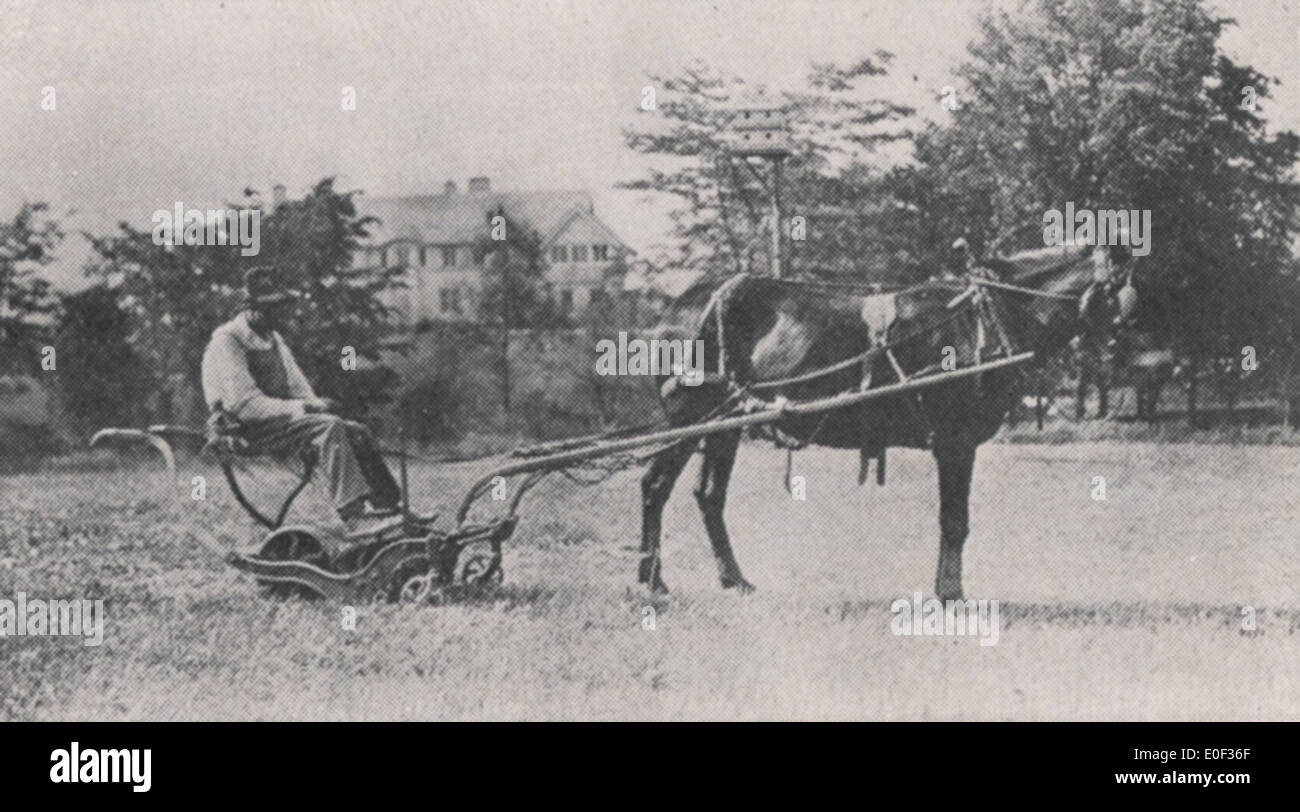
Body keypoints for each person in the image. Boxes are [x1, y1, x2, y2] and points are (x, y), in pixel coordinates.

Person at [200, 267, 403, 534]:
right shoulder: (229, 341)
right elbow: (246, 405)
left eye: (282, 307)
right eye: (274, 308)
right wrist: (305, 408)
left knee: (356, 431)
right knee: (329, 429)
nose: (282, 314)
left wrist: (315, 404)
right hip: (245, 429)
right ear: (253, 309)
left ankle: (389, 507)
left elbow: (299, 389)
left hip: (277, 421)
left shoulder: (273, 339)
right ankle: (354, 516)